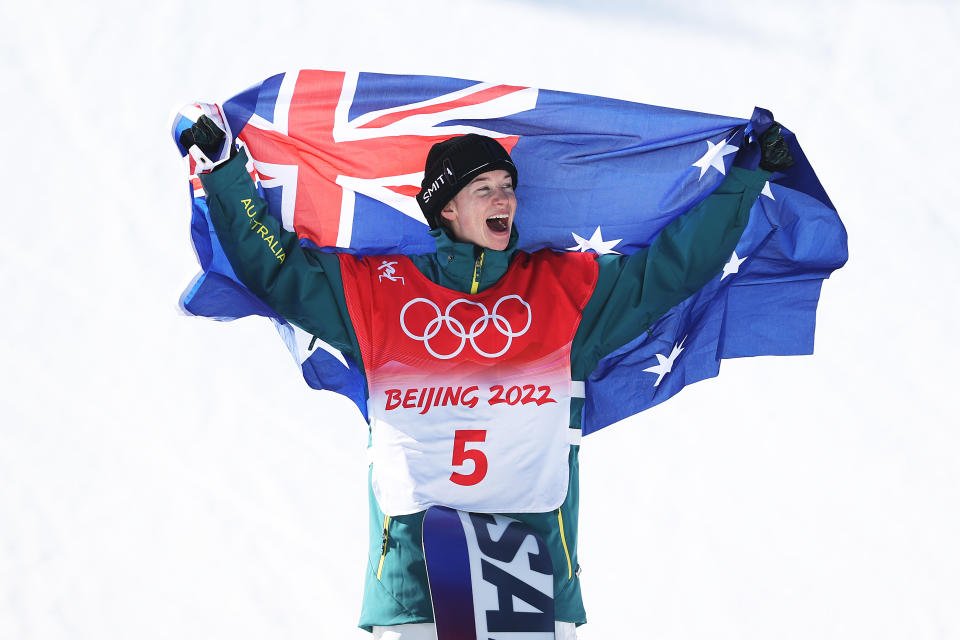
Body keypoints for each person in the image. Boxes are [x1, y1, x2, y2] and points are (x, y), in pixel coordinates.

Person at [183, 117, 790, 638]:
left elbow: (670, 271)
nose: (503, 200)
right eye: (484, 189)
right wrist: (222, 169)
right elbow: (278, 270)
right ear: (446, 208)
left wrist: (746, 177)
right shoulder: (379, 294)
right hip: (413, 588)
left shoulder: (564, 291)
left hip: (533, 586)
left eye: (507, 187)